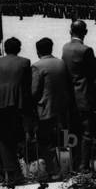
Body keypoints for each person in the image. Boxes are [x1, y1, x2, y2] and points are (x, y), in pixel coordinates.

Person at [31, 37, 73, 178]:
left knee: (46, 142)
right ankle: (68, 169)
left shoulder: (37, 66)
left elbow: (34, 91)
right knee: (65, 141)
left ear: (38, 51)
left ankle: (54, 171)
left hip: (45, 110)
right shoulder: (61, 64)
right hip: (63, 110)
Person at [62, 20, 96, 173]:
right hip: (83, 96)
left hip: (69, 97)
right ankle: (83, 166)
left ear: (70, 31)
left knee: (72, 132)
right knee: (86, 133)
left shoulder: (65, 48)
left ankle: (73, 163)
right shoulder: (86, 50)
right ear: (85, 32)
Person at [0, 37, 32, 184]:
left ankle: (10, 172)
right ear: (19, 48)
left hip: (1, 104)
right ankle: (18, 171)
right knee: (18, 138)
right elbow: (28, 84)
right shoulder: (25, 62)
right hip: (19, 104)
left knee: (4, 139)